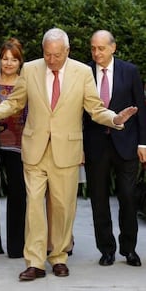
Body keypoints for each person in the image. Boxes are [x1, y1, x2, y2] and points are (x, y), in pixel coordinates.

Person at [0, 28, 138, 281]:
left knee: (62, 208)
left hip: (66, 151)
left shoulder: (82, 72)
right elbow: (15, 103)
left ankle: (58, 256)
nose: (52, 60)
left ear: (67, 51)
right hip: (35, 150)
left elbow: (94, 108)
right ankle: (35, 262)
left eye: (57, 55)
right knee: (34, 207)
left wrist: (114, 118)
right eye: (48, 54)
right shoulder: (31, 69)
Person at [84, 30, 146, 267]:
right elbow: (80, 112)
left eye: (100, 48)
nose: (96, 53)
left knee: (128, 198)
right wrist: (79, 145)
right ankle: (106, 249)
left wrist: (143, 143)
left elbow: (140, 108)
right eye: (93, 48)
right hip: (96, 144)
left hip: (127, 144)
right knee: (98, 199)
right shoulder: (85, 72)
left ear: (113, 48)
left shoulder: (129, 71)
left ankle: (129, 249)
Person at [0, 38, 26, 258]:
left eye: (13, 59)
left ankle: (17, 246)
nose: (8, 63)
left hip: (19, 145)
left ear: (20, 62)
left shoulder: (26, 82)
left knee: (18, 195)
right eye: (5, 58)